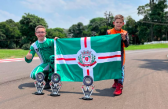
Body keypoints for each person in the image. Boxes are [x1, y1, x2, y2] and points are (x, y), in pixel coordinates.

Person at [107, 14, 129, 96]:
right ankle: (116, 81)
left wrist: (124, 39)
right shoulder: (109, 32)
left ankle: (120, 86)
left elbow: (127, 45)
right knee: (113, 68)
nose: (118, 24)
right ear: (114, 23)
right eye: (117, 22)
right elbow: (105, 43)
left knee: (120, 69)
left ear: (123, 23)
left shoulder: (125, 32)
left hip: (120, 54)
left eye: (120, 22)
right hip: (111, 53)